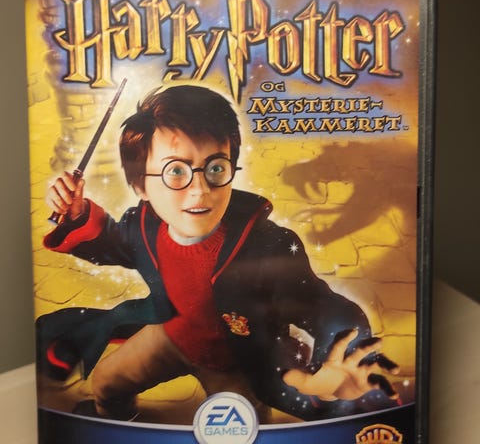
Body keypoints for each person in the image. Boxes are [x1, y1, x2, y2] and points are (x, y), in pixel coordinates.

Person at [39, 84, 399, 423]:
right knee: (106, 382)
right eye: (175, 171)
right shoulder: (144, 225)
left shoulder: (266, 246)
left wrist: (336, 358)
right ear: (140, 185)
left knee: (242, 428)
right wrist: (78, 215)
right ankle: (120, 426)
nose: (199, 190)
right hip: (171, 337)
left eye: (215, 168)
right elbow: (110, 243)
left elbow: (320, 305)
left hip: (238, 362)